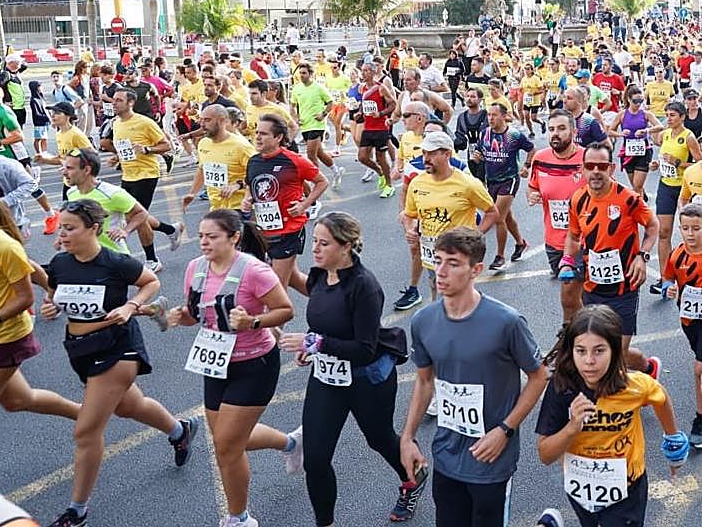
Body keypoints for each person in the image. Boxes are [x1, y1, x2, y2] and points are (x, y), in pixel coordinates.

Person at [40, 200, 198, 527]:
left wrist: (131, 306)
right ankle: (180, 430)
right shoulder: (60, 262)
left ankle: (77, 511)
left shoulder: (114, 262)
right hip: (80, 348)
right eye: (61, 228)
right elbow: (54, 291)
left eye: (70, 228)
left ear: (93, 229)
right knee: (129, 406)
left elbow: (150, 283)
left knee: (86, 431)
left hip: (117, 347)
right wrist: (49, 307)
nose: (62, 234)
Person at [280, 212, 423, 524]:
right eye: (314, 242)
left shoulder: (365, 287)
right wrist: (311, 349)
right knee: (315, 460)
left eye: (323, 243)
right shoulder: (319, 274)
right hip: (328, 378)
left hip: (366, 379)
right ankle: (325, 522)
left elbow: (363, 349)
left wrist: (317, 344)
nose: (315, 249)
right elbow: (323, 325)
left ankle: (413, 478)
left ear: (345, 247)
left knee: (379, 437)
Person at [400, 227, 548, 527]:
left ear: (475, 270)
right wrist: (407, 437)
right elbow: (425, 381)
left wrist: (505, 430)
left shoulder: (506, 321)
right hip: (445, 453)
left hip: (491, 457)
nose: (440, 271)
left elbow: (538, 376)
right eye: (438, 260)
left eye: (453, 263)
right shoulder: (423, 321)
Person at [167, 209, 296, 527]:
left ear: (234, 237)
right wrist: (177, 316)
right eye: (201, 236)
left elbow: (285, 310)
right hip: (215, 365)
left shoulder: (254, 270)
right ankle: (293, 443)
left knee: (226, 447)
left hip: (255, 364)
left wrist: (253, 321)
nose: (204, 242)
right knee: (230, 441)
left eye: (212, 236)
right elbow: (197, 314)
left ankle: (240, 518)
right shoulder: (195, 269)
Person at [536, 305, 689, 527]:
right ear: (572, 350)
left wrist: (673, 442)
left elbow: (660, 397)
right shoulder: (563, 389)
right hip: (582, 489)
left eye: (599, 351)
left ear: (615, 351)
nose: (589, 361)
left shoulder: (635, 385)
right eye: (581, 351)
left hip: (628, 489)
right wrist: (572, 427)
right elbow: (545, 455)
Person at [559, 142, 661, 376]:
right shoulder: (577, 199)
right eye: (590, 165)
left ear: (611, 169)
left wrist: (642, 256)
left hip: (625, 286)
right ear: (582, 169)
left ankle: (648, 368)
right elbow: (573, 236)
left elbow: (653, 225)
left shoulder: (628, 198)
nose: (596, 171)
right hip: (593, 286)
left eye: (601, 166)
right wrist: (567, 259)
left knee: (617, 354)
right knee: (602, 349)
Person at [0, 200, 80, 420]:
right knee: (18, 400)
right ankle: (87, 414)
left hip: (4, 337)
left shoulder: (4, 246)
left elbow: (25, 295)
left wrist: (52, 295)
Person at [402, 131, 498, 309]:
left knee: (458, 300)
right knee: (437, 294)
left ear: (447, 154)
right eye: (423, 153)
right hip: (432, 254)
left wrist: (473, 236)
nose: (425, 158)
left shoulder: (468, 184)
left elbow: (492, 212)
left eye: (431, 153)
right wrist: (410, 229)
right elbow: (410, 215)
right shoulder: (418, 183)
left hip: (459, 256)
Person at [100, 89, 183, 272]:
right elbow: (125, 149)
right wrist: (118, 158)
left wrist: (147, 150)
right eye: (114, 100)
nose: (114, 103)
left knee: (136, 216)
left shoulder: (145, 122)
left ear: (131, 103)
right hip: (128, 174)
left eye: (119, 100)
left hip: (146, 174)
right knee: (136, 215)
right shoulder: (116, 124)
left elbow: (166, 145)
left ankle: (152, 260)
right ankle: (171, 230)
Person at [243, 115, 328, 292]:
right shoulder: (254, 161)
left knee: (276, 289)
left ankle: (277, 319)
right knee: (293, 278)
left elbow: (322, 182)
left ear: (278, 137)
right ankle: (331, 301)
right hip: (265, 231)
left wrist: (305, 205)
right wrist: (247, 199)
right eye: (257, 132)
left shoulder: (294, 160)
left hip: (289, 230)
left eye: (264, 133)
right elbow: (250, 185)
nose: (257, 137)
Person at [527, 110, 585, 321]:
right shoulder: (540, 159)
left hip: (584, 242)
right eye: (551, 129)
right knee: (572, 297)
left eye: (561, 128)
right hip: (554, 242)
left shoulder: (586, 158)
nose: (555, 134)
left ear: (573, 131)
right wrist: (532, 196)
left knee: (570, 298)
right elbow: (532, 187)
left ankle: (574, 337)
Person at [472, 103, 534, 271]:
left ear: (504, 116)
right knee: (506, 217)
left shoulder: (514, 135)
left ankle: (500, 257)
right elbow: (479, 154)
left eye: (494, 115)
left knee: (498, 217)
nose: (490, 118)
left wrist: (527, 166)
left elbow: (531, 148)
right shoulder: (484, 134)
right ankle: (520, 243)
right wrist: (477, 157)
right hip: (491, 180)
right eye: (489, 115)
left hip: (509, 179)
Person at [0, 85, 59, 235]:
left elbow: (19, 136)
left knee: (31, 186)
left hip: (15, 156)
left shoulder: (4, 112)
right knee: (6, 189)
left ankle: (51, 215)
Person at [649, 100, 702, 295]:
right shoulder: (664, 135)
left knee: (690, 234)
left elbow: (698, 164)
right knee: (663, 232)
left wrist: (678, 162)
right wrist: (657, 165)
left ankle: (692, 274)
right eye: (667, 114)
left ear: (682, 117)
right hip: (665, 186)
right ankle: (665, 277)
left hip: (684, 190)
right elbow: (663, 159)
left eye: (672, 115)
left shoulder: (689, 138)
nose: (668, 118)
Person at [661, 203, 702, 448]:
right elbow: (668, 278)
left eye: (696, 228)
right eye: (685, 228)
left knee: (699, 369)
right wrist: (670, 289)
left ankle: (700, 420)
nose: (690, 233)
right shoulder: (677, 255)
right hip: (690, 321)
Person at [183, 105, 256, 213]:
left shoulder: (241, 146)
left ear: (222, 121)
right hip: (216, 206)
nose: (202, 124)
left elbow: (259, 173)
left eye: (207, 120)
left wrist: (238, 185)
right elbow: (202, 169)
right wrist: (192, 193)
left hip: (239, 207)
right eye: (201, 120)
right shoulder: (204, 143)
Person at [291, 63, 345, 187]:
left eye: (304, 73)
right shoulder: (296, 88)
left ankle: (316, 181)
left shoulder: (318, 88)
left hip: (317, 124)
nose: (301, 75)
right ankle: (336, 171)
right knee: (320, 153)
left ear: (311, 74)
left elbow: (330, 102)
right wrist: (296, 118)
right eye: (300, 73)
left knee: (311, 154)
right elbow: (292, 106)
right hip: (305, 125)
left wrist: (323, 114)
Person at [607, 85, 662, 199]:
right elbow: (609, 131)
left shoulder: (646, 114)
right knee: (634, 185)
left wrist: (646, 130)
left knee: (637, 186)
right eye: (635, 101)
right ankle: (642, 196)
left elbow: (660, 126)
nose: (638, 104)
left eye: (641, 101)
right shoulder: (622, 114)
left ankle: (640, 211)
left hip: (644, 150)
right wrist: (621, 134)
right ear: (628, 99)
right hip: (628, 151)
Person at [34, 101, 92, 202]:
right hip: (68, 182)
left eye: (57, 113)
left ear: (68, 116)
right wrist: (44, 160)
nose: (53, 116)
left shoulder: (76, 134)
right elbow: (62, 159)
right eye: (52, 113)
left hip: (80, 183)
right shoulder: (59, 134)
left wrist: (77, 169)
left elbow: (92, 155)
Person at [357, 62, 397, 198]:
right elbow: (365, 104)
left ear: (374, 73)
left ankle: (389, 185)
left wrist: (380, 114)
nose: (364, 73)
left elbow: (393, 104)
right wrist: (360, 112)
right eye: (362, 70)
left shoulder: (380, 88)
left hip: (380, 127)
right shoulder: (362, 88)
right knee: (362, 157)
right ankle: (379, 172)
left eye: (367, 70)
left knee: (381, 158)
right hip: (368, 127)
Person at [454, 88, 488, 183]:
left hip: (488, 154)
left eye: (473, 96)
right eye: (467, 96)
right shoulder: (462, 117)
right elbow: (460, 137)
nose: (469, 99)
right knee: (476, 181)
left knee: (486, 182)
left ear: (480, 99)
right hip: (471, 154)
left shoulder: (487, 115)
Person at [0, 54, 28, 127]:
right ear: (11, 63)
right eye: (18, 62)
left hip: (20, 109)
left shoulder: (15, 73)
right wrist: (3, 102)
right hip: (12, 109)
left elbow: (25, 65)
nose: (20, 64)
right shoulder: (5, 74)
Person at [520, 62, 546, 138]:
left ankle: (542, 123)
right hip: (527, 101)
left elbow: (541, 90)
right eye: (525, 69)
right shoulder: (523, 79)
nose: (526, 71)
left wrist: (534, 93)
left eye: (528, 69)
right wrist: (523, 92)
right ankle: (531, 132)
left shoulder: (536, 79)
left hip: (535, 101)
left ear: (532, 70)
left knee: (534, 118)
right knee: (526, 116)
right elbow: (521, 89)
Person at [28, 80, 51, 156]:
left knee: (44, 138)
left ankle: (44, 153)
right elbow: (36, 113)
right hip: (39, 123)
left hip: (45, 122)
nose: (41, 88)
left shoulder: (41, 97)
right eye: (39, 86)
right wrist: (46, 118)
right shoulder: (33, 100)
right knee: (38, 139)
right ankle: (39, 153)